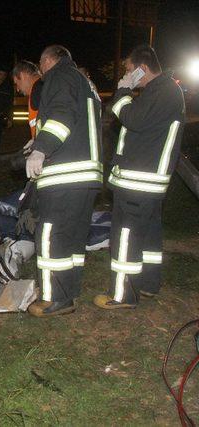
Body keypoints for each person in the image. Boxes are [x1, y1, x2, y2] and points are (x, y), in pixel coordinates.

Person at [94, 45, 185, 309]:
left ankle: (122, 295)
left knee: (126, 237)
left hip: (139, 182)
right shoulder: (163, 91)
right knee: (148, 237)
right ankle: (147, 284)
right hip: (147, 182)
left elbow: (132, 119)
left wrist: (123, 91)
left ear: (142, 69)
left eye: (128, 71)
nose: (126, 75)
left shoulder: (163, 90)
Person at [25, 45, 103, 317]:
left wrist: (41, 148)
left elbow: (62, 115)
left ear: (48, 60)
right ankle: (69, 290)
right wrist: (38, 140)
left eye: (40, 64)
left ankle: (54, 298)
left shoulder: (59, 76)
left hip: (65, 174)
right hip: (85, 175)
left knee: (50, 234)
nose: (41, 71)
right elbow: (76, 121)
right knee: (73, 237)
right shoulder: (85, 82)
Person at [12, 60, 43, 142]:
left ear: (22, 75)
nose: (18, 89)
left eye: (16, 83)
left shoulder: (38, 90)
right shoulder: (42, 87)